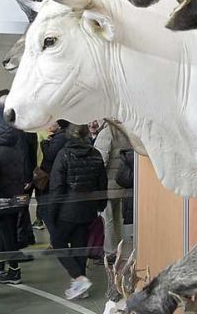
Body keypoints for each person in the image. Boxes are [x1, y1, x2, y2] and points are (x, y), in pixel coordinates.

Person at [46, 124, 107, 300]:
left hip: (67, 207)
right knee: (80, 244)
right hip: (88, 207)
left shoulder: (63, 155)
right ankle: (81, 286)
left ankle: (78, 277)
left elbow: (57, 187)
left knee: (58, 242)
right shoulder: (95, 155)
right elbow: (102, 184)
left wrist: (52, 212)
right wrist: (101, 205)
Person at [0, 106, 27, 285]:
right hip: (15, 198)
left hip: (1, 201)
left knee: (6, 235)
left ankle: (14, 271)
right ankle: (2, 264)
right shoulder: (17, 153)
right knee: (8, 234)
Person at [92, 120, 134, 257]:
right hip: (121, 183)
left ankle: (110, 250)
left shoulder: (106, 133)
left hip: (107, 184)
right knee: (117, 218)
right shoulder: (125, 132)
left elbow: (100, 161)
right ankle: (119, 248)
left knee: (107, 218)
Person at [33, 120, 69, 230]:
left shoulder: (59, 138)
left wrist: (45, 143)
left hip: (50, 176)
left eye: (52, 122)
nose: (48, 125)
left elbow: (49, 155)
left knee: (48, 207)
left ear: (58, 125)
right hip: (49, 175)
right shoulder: (58, 136)